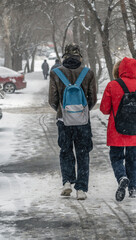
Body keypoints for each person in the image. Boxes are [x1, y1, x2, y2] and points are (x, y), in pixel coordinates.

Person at [49, 43, 97, 200]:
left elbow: (52, 100)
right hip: (83, 122)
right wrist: (82, 112)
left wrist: (63, 111)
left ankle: (68, 182)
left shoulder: (55, 73)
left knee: (65, 151)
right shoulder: (88, 73)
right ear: (79, 56)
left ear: (65, 55)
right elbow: (93, 99)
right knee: (83, 153)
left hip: (64, 121)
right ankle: (81, 189)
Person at [100, 57, 136, 201]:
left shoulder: (112, 85)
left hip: (116, 131)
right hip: (134, 131)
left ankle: (122, 177)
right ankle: (133, 188)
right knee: (132, 159)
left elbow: (104, 109)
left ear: (118, 69)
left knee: (116, 157)